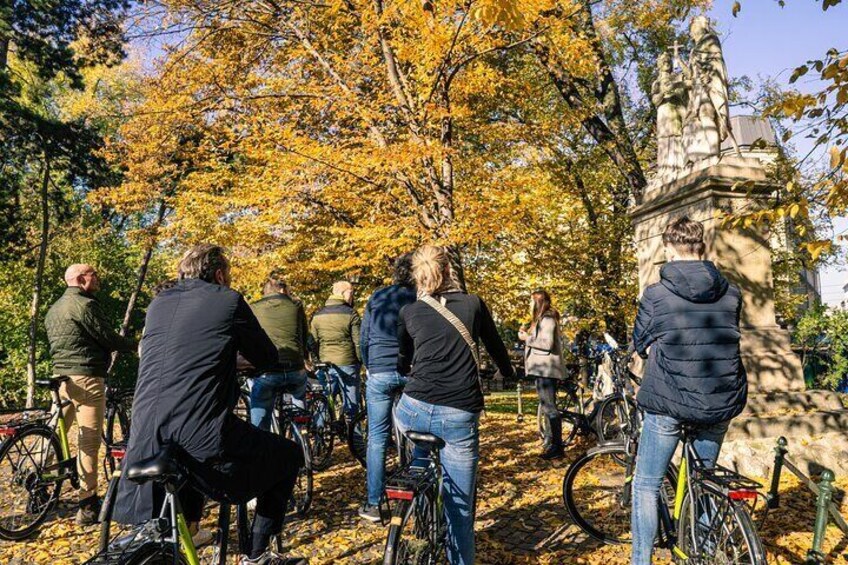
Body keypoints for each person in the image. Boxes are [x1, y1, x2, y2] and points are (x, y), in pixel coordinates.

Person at [114, 244, 304, 565]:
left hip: (145, 433)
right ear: (219, 275)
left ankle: (186, 533)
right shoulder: (228, 300)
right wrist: (238, 362)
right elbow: (266, 356)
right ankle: (256, 557)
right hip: (199, 431)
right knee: (288, 456)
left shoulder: (158, 303)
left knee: (187, 465)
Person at [630, 217, 747, 565]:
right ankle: (704, 552)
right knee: (706, 478)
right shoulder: (731, 292)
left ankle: (641, 561)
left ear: (668, 248)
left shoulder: (656, 294)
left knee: (647, 485)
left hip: (668, 401)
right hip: (720, 398)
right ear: (703, 247)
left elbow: (640, 342)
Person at [395, 245, 515, 565]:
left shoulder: (408, 312)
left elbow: (402, 359)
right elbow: (495, 346)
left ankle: (420, 500)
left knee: (418, 446)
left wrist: (408, 368)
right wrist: (508, 374)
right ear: (448, 272)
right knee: (459, 510)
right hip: (459, 412)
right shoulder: (473, 305)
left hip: (414, 408)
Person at [44, 263, 137, 525]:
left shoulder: (54, 308)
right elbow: (107, 337)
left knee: (53, 431)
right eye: (93, 273)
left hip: (60, 377)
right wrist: (136, 346)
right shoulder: (86, 305)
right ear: (81, 279)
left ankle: (36, 480)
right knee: (88, 441)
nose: (98, 277)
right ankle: (87, 504)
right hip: (86, 378)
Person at [357, 253, 416, 522]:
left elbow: (365, 337)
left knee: (377, 439)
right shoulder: (419, 297)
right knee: (419, 432)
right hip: (412, 370)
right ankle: (418, 490)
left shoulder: (377, 296)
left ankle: (374, 502)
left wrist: (370, 365)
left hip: (379, 370)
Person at [249, 273, 310, 430]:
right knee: (299, 398)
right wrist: (304, 358)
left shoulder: (254, 308)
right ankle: (301, 433)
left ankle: (259, 442)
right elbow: (303, 336)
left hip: (268, 371)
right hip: (295, 368)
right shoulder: (296, 306)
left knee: (260, 407)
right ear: (283, 291)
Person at [518, 289, 566, 460]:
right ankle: (550, 440)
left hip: (546, 370)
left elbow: (547, 343)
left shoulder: (548, 319)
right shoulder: (542, 319)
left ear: (538, 301)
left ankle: (557, 446)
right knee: (546, 408)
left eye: (531, 301)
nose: (529, 305)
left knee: (550, 408)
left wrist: (526, 339)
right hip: (542, 369)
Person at [310, 280, 362, 420]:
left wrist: (317, 360)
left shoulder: (317, 315)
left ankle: (318, 433)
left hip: (325, 364)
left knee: (324, 400)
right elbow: (358, 342)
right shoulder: (351, 314)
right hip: (347, 362)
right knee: (351, 405)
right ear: (346, 293)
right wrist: (360, 360)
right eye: (351, 292)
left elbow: (313, 342)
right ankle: (354, 437)